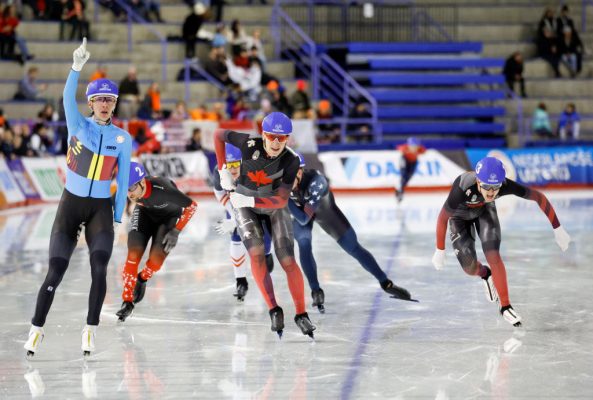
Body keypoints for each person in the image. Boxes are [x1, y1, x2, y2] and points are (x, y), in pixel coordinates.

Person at [24, 38, 133, 357]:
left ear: (114, 104)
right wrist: (76, 67)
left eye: (109, 100)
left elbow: (123, 178)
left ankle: (90, 330)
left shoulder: (122, 138)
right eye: (99, 99)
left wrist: (117, 216)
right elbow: (65, 96)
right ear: (90, 103)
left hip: (100, 209)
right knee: (55, 271)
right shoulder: (78, 124)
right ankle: (36, 329)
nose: (104, 104)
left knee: (99, 268)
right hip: (70, 206)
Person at [432, 157, 571, 327]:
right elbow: (442, 218)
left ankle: (505, 306)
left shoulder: (504, 186)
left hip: (484, 211)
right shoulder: (462, 188)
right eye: (487, 187)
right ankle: (485, 274)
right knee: (470, 268)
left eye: (496, 187)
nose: (491, 193)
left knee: (493, 254)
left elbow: (538, 197)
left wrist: (558, 228)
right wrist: (439, 250)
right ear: (477, 181)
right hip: (459, 218)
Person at [214, 111, 315, 338]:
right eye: (271, 136)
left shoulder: (291, 160)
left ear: (288, 138)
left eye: (282, 138)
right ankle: (273, 308)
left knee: (288, 259)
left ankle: (301, 314)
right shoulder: (249, 143)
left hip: (268, 204)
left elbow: (280, 200)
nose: (277, 142)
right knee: (257, 254)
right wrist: (222, 169)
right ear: (263, 134)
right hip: (245, 205)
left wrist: (249, 199)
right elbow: (218, 134)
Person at [289, 154, 414, 313]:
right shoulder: (280, 182)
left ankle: (386, 283)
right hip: (301, 211)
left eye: (291, 174)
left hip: (324, 213)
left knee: (353, 248)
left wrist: (284, 198)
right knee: (304, 244)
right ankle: (316, 291)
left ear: (300, 172)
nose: (286, 179)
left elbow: (304, 219)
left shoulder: (317, 182)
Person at [116, 162, 198, 321]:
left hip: (168, 219)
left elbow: (192, 206)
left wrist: (176, 231)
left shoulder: (163, 189)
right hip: (144, 214)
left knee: (155, 261)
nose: (129, 194)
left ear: (142, 181)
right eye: (125, 189)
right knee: (133, 256)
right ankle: (127, 302)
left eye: (131, 188)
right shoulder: (133, 191)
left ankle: (143, 278)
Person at [212, 143, 275, 301]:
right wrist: (234, 217)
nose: (232, 169)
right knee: (236, 236)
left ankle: (267, 255)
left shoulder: (255, 169)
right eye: (228, 165)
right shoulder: (218, 171)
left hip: (258, 203)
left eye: (235, 165)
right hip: (235, 203)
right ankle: (240, 281)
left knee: (264, 244)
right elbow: (219, 192)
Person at [396, 137, 426, 202]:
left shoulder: (420, 149)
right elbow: (398, 148)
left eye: (416, 147)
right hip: (404, 160)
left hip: (413, 162)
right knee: (403, 176)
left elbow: (424, 151)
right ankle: (400, 191)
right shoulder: (404, 148)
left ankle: (399, 189)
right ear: (409, 145)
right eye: (412, 146)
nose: (414, 148)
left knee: (408, 177)